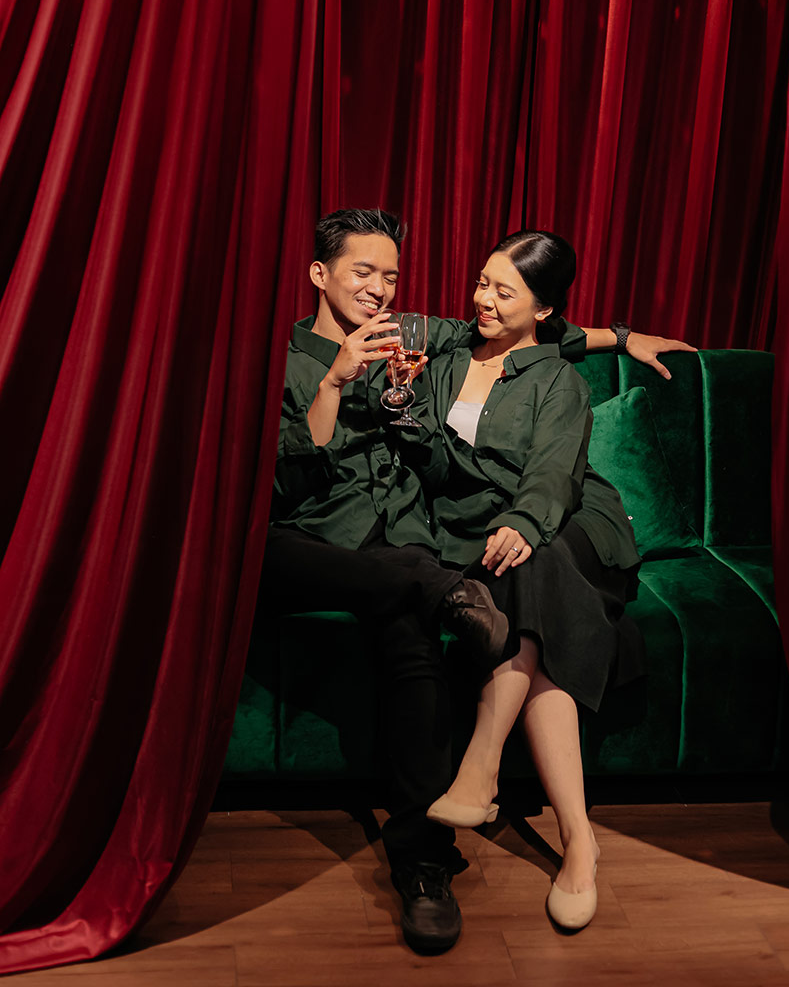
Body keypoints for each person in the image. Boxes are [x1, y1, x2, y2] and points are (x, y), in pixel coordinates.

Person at [265, 208, 693, 953]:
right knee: (435, 585)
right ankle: (448, 603)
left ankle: (433, 854)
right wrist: (347, 383)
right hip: (363, 542)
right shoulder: (319, 358)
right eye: (363, 271)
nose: (379, 289)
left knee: (457, 615)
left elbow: (533, 352)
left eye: (390, 275)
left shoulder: (451, 351)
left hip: (467, 530)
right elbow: (290, 480)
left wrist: (622, 338)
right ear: (319, 273)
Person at [420, 230, 652, 932]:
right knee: (538, 618)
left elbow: (554, 470)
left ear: (543, 309)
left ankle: (482, 763)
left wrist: (525, 520)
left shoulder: (558, 378)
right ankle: (580, 841)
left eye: (504, 291)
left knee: (536, 560)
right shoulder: (447, 349)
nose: (483, 299)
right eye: (482, 282)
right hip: (495, 531)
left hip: (573, 523)